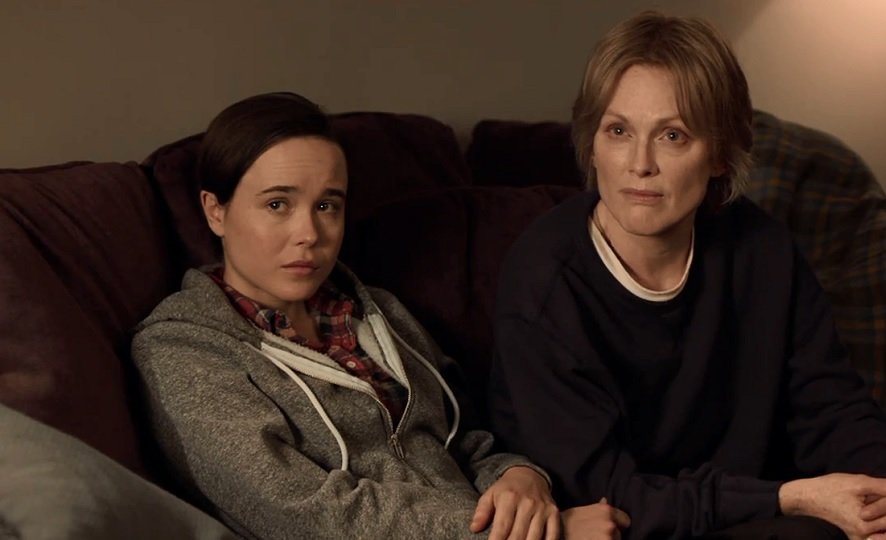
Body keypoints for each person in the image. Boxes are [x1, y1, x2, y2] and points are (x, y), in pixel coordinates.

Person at [487, 12, 886, 540]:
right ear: (593, 144)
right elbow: (609, 497)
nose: (640, 164)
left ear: (719, 154)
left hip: (756, 509)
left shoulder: (762, 250)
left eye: (672, 135)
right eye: (618, 131)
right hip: (641, 524)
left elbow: (835, 409)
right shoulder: (544, 282)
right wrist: (792, 497)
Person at [131, 92, 562, 539]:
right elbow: (304, 512)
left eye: (326, 205)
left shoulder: (377, 311)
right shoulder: (181, 348)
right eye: (278, 204)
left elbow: (465, 438)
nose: (309, 234)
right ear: (215, 211)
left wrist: (518, 476)